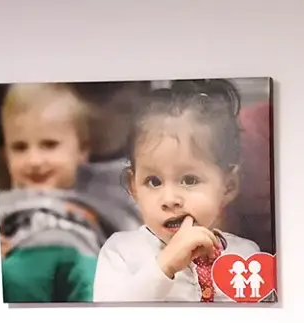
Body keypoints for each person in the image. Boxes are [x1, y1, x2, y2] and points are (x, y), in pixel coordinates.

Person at [92, 80, 261, 302]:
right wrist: (165, 265)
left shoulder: (247, 255)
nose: (169, 199)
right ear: (133, 187)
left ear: (228, 186)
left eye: (189, 180)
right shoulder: (121, 252)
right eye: (153, 181)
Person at [0, 82, 142, 303]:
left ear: (81, 150)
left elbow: (134, 233)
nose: (34, 160)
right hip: (22, 264)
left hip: (84, 262)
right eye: (19, 147)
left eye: (49, 145)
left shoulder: (101, 194)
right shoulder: (1, 204)